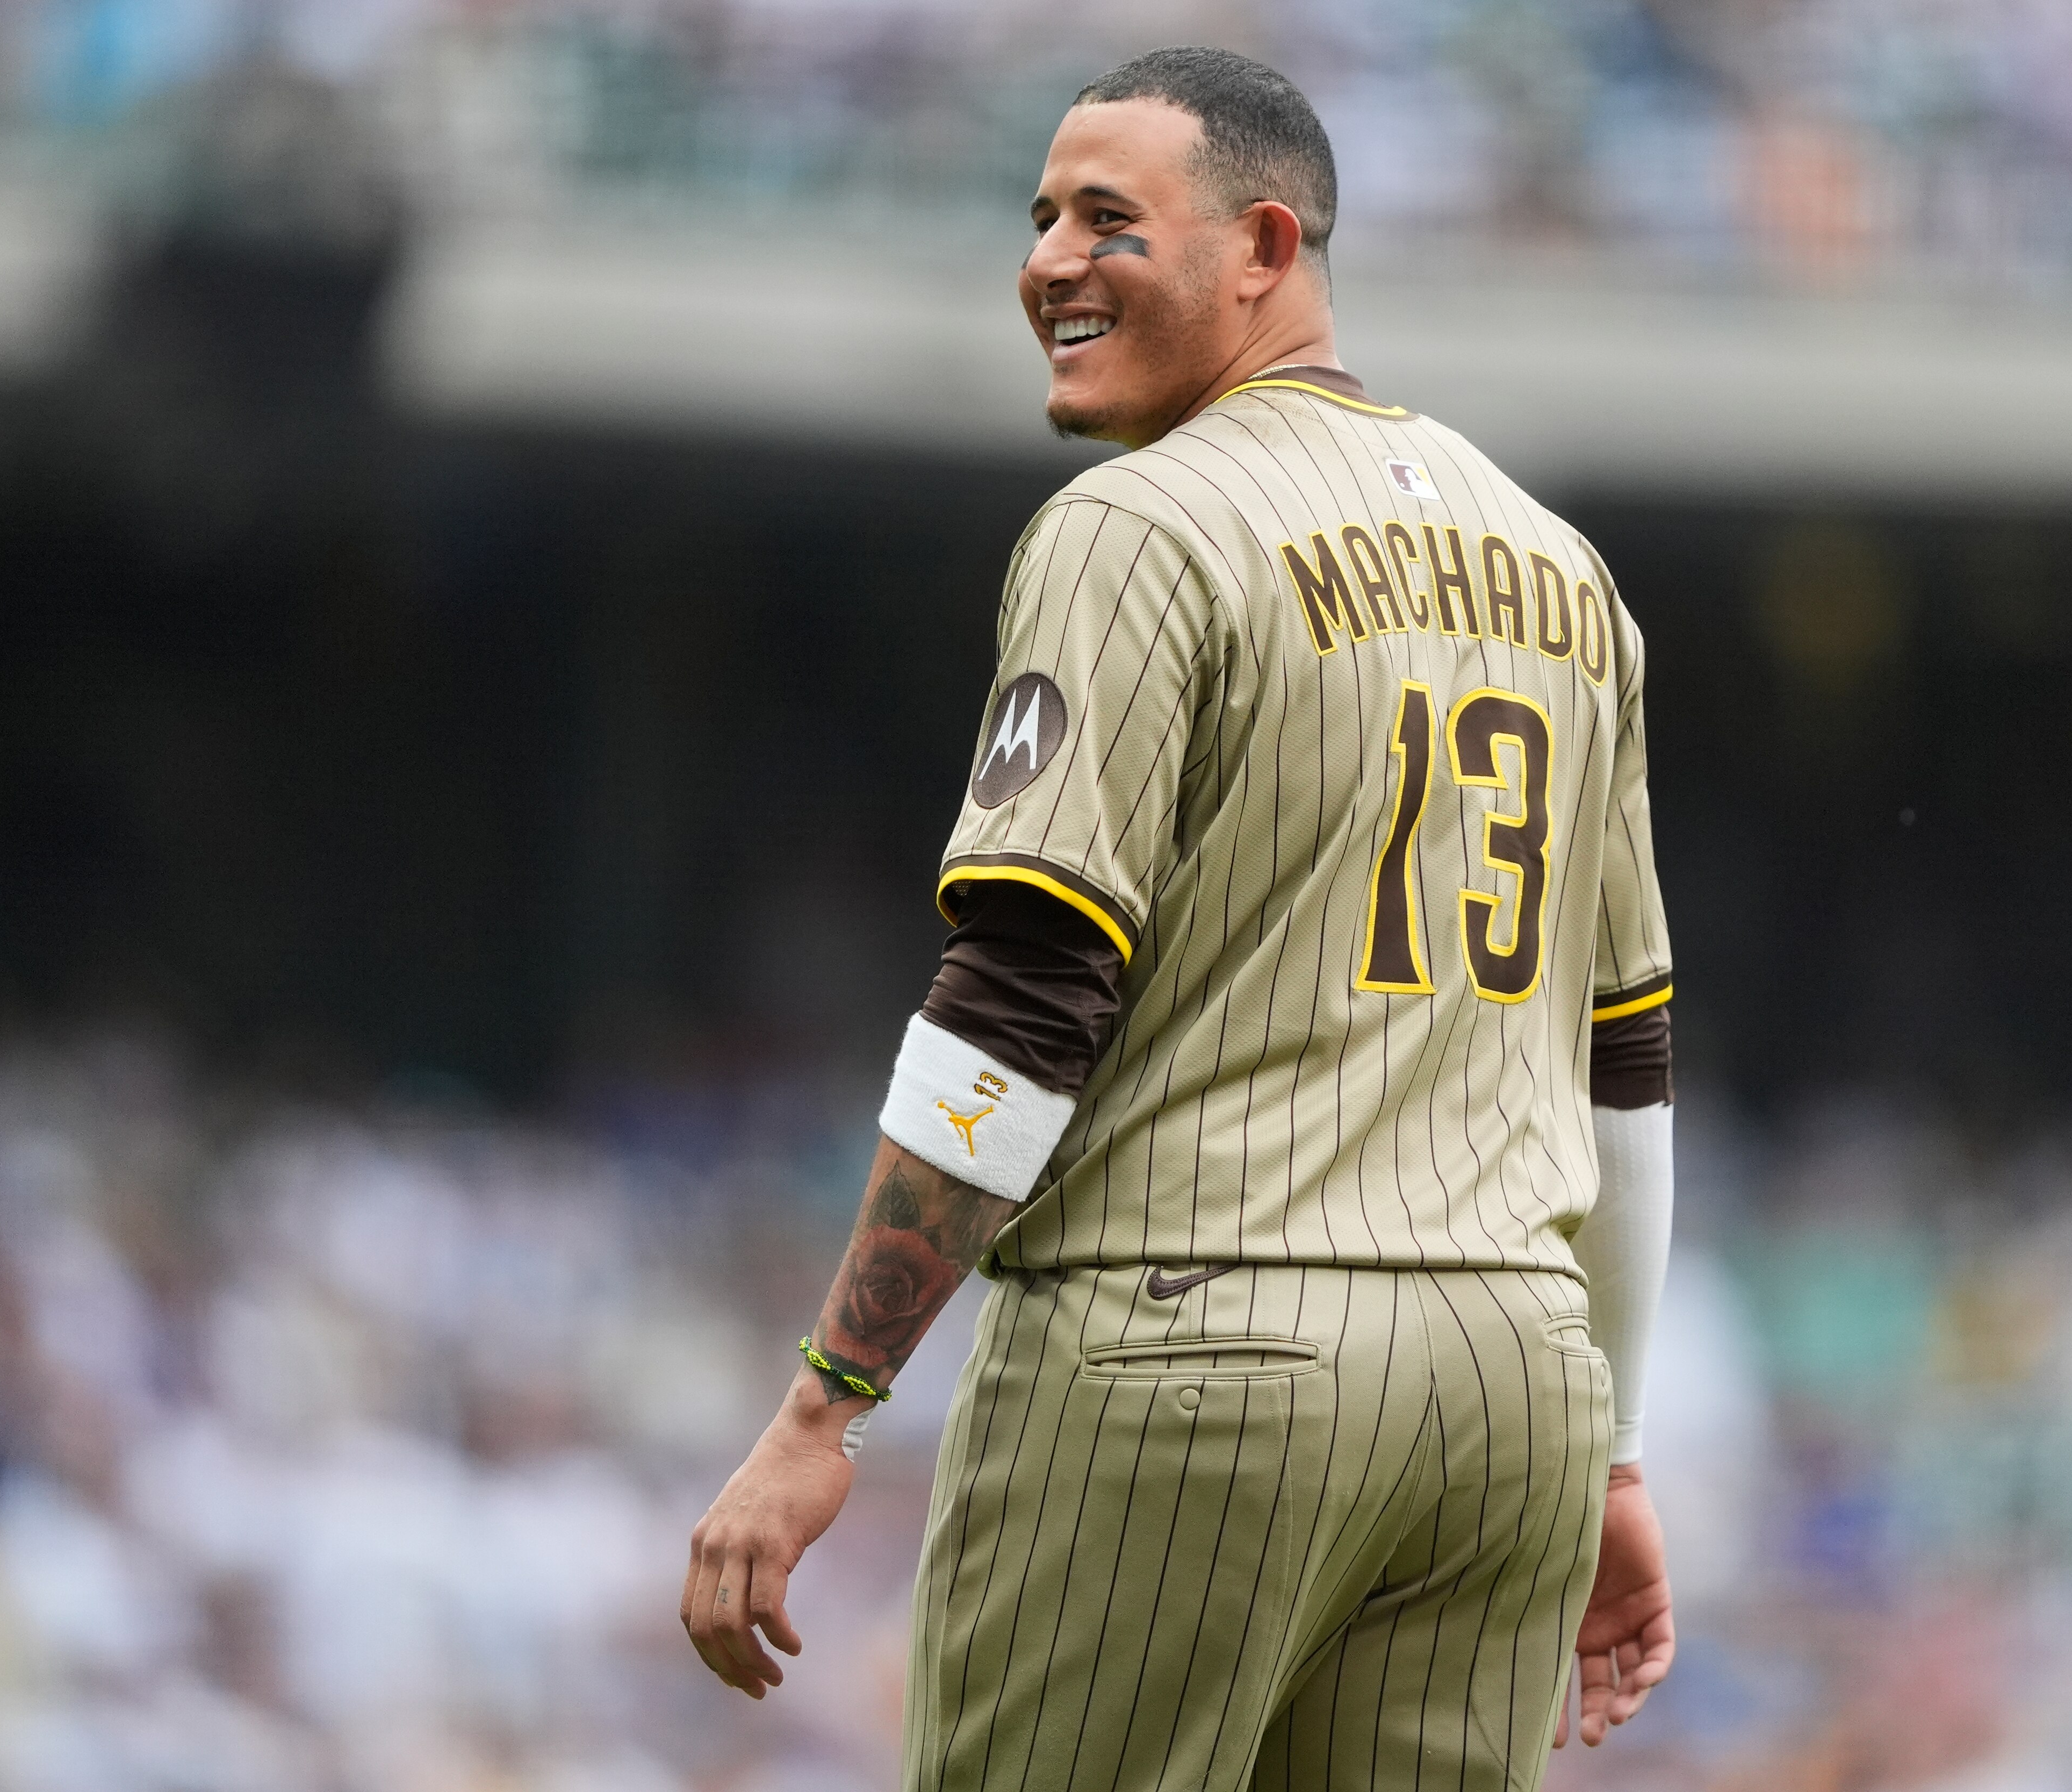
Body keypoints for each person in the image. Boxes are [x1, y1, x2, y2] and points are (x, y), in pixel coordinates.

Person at [684, 45, 1677, 1792]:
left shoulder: (1135, 523)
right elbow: (1628, 1067)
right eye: (1042, 218)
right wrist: (1611, 1450)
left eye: (1107, 219)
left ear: (1264, 247)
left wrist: (827, 1400)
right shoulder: (1560, 568)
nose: (1049, 262)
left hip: (1196, 1350)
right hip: (1511, 1383)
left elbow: (1020, 1001)